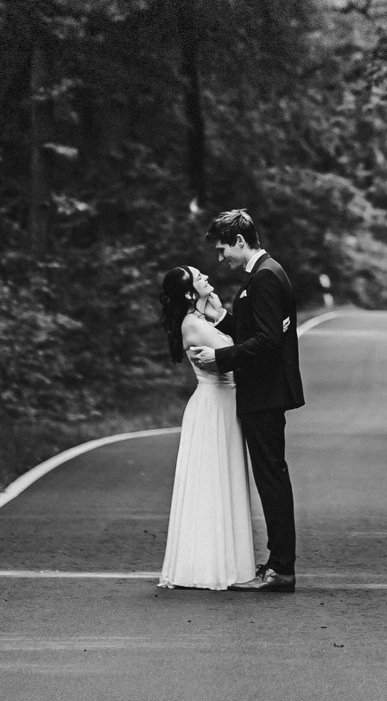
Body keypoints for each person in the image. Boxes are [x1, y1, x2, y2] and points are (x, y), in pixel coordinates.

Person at [188, 208, 302, 593]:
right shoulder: (263, 273)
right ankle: (276, 562)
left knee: (271, 479)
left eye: (224, 250)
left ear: (240, 241)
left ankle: (282, 568)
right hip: (263, 391)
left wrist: (220, 358)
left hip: (265, 392)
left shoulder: (266, 276)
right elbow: (253, 330)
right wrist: (222, 318)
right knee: (270, 477)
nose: (221, 260)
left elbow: (269, 342)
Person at [156, 265, 257, 590]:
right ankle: (207, 565)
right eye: (200, 279)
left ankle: (223, 561)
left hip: (223, 404)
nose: (208, 280)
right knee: (212, 481)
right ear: (188, 294)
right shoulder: (194, 327)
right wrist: (221, 317)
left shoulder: (200, 321)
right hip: (214, 405)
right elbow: (239, 351)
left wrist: (219, 313)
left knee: (221, 479)